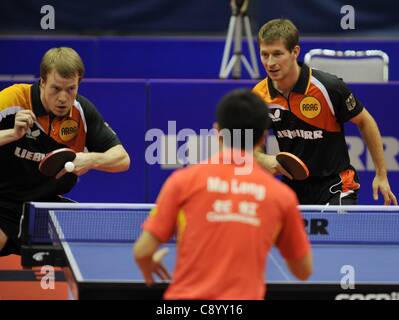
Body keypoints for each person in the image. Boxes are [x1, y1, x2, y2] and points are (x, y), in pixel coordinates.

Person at [134, 89, 312, 300]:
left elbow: (142, 251)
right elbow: (303, 271)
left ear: (217, 132)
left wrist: (149, 266)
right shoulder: (281, 196)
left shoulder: (182, 182)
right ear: (263, 138)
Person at [0, 47, 130, 256]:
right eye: (56, 88)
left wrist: (90, 159)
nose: (63, 98)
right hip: (4, 202)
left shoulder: (81, 112)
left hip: (46, 207)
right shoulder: (13, 99)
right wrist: (12, 134)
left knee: (98, 250)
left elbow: (123, 159)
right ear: (42, 82)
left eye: (70, 89)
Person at [252, 18, 397, 206]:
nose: (270, 62)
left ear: (295, 52)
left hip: (338, 183)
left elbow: (365, 122)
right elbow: (246, 146)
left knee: (340, 232)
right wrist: (264, 159)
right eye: (264, 55)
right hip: (293, 186)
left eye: (277, 54)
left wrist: (381, 175)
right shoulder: (259, 96)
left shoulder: (328, 87)